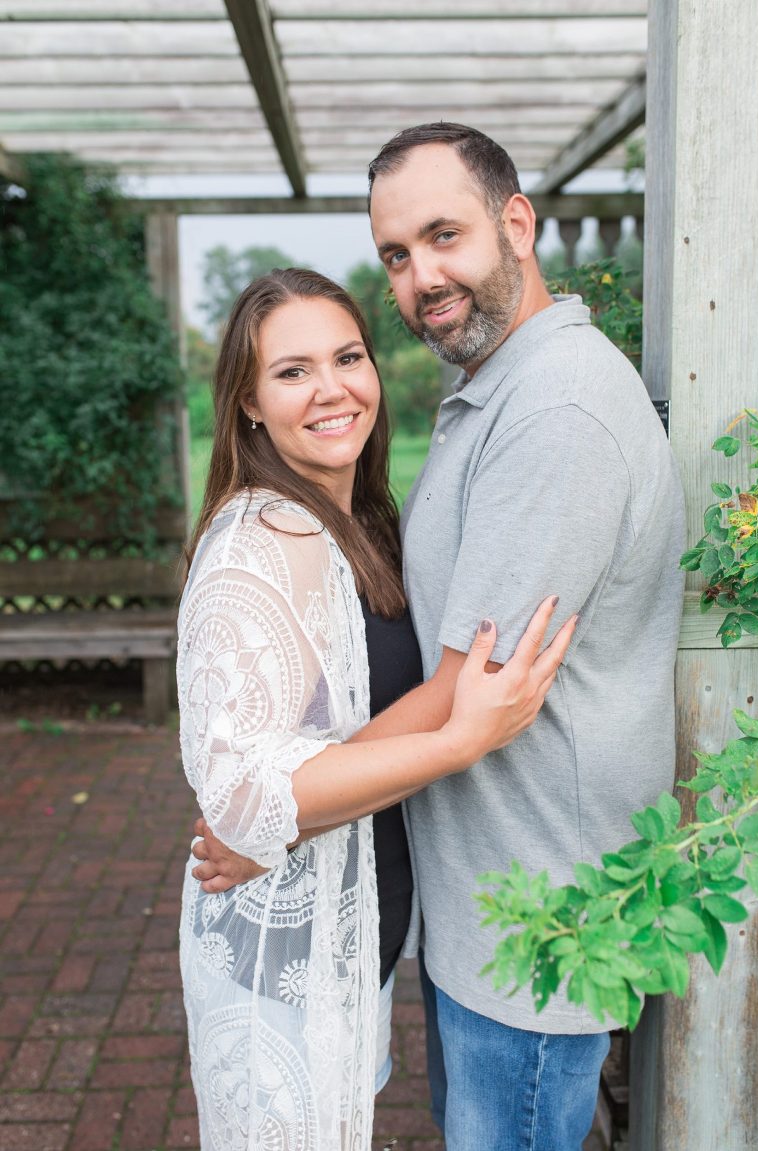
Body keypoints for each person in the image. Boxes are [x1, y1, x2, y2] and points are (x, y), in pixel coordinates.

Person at [194, 125, 686, 1150]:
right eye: (396, 254)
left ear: (517, 223)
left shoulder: (555, 412)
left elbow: (472, 696)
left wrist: (272, 815)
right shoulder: (493, 389)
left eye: (443, 235)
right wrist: (273, 804)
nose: (422, 276)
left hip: (536, 922)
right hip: (481, 907)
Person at [177, 266, 575, 1151]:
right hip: (283, 961)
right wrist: (462, 738)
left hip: (349, 935)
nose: (332, 389)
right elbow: (241, 799)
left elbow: (337, 746)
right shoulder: (262, 544)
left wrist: (292, 818)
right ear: (247, 401)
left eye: (348, 356)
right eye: (292, 371)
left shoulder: (356, 518)